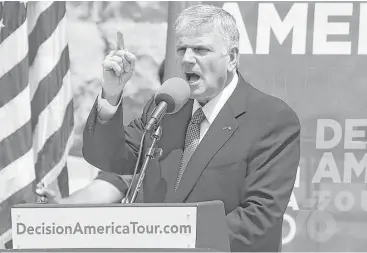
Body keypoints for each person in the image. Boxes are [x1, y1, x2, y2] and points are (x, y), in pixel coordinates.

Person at [37, 4, 301, 252]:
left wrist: (173, 239)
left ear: (231, 58)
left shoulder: (271, 119)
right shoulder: (165, 107)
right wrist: (112, 93)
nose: (187, 59)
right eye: (181, 49)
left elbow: (259, 219)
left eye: (200, 50)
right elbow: (108, 157)